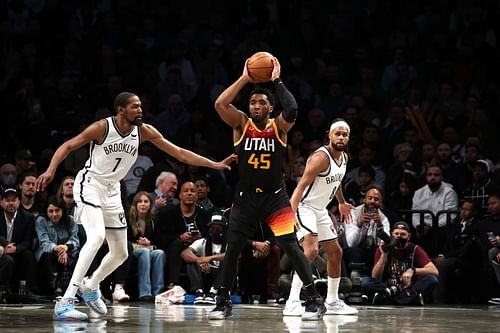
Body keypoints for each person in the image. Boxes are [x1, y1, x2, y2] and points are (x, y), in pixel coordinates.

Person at [35, 91, 236, 321]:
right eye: (135, 107)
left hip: (112, 190)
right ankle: (67, 301)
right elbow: (69, 146)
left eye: (141, 106)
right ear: (121, 110)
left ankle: (91, 286)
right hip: (90, 184)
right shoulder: (102, 128)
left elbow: (180, 153)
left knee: (121, 252)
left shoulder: (144, 131)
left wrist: (215, 164)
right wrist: (51, 170)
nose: (140, 110)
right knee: (97, 237)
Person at [209, 57, 326, 321]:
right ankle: (222, 300)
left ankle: (313, 298)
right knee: (234, 246)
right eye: (253, 102)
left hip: (275, 197)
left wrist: (275, 79)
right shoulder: (240, 123)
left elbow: (293, 108)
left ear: (272, 107)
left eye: (262, 102)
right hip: (246, 197)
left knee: (290, 246)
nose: (257, 105)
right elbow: (219, 104)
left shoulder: (279, 127)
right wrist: (245, 78)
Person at [283, 119, 358, 317]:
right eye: (338, 134)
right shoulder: (320, 157)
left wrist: (341, 202)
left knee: (335, 252)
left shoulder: (344, 158)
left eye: (345, 134)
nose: (341, 137)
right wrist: (290, 213)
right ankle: (292, 301)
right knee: (311, 250)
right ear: (329, 135)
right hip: (303, 207)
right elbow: (300, 186)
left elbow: (337, 181)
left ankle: (332, 301)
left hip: (320, 209)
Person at [361, 221, 439, 305]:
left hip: (408, 287)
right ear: (392, 234)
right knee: (365, 281)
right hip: (388, 287)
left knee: (432, 280)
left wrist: (412, 270)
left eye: (402, 234)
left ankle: (386, 298)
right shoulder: (383, 248)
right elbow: (375, 276)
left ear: (408, 236)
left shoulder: (415, 249)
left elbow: (434, 271)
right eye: (396, 234)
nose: (399, 237)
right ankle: (409, 299)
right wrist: (384, 255)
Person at [154, 181, 211, 289]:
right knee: (177, 243)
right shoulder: (168, 214)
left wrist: (200, 237)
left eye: (192, 191)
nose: (189, 193)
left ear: (196, 196)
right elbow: (159, 237)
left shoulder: (205, 215)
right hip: (175, 248)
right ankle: (173, 283)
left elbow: (211, 235)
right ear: (180, 195)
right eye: (186, 191)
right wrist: (179, 237)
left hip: (198, 248)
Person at [35, 195, 80, 298]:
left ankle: (75, 288)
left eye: (57, 210)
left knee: (79, 254)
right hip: (47, 254)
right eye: (50, 211)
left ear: (62, 211)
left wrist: (65, 248)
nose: (54, 214)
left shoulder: (71, 220)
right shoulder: (41, 221)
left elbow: (75, 240)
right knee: (49, 255)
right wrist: (58, 249)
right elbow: (44, 242)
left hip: (67, 253)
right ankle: (56, 288)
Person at [180, 214, 228, 305]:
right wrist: (198, 260)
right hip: (206, 275)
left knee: (230, 263)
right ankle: (199, 292)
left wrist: (208, 259)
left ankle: (213, 293)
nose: (215, 231)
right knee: (191, 262)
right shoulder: (202, 242)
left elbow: (233, 256)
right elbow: (184, 253)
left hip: (222, 280)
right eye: (212, 228)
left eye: (218, 229)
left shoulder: (230, 244)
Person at [343, 186, 391, 274]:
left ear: (381, 202)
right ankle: (355, 279)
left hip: (372, 251)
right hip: (355, 252)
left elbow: (384, 245)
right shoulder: (352, 214)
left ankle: (374, 281)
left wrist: (380, 226)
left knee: (379, 253)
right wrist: (359, 225)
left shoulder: (383, 219)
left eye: (376, 199)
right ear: (364, 199)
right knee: (353, 251)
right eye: (370, 198)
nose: (372, 201)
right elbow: (351, 243)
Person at [128, 191, 165, 302]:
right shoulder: (129, 218)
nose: (143, 204)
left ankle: (158, 292)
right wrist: (138, 243)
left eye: (146, 201)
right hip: (132, 250)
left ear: (150, 204)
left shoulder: (153, 220)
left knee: (160, 253)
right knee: (144, 252)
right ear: (135, 204)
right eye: (140, 202)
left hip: (148, 248)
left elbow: (159, 239)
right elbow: (125, 239)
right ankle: (145, 292)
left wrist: (149, 243)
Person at [0, 188, 38, 295]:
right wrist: (5, 245)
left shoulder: (28, 217)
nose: (11, 203)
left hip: (18, 250)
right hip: (1, 250)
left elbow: (28, 241)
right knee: (7, 260)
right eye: (7, 200)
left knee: (28, 255)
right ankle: (4, 289)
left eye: (13, 200)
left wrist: (16, 249)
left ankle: (30, 290)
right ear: (1, 202)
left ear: (19, 202)